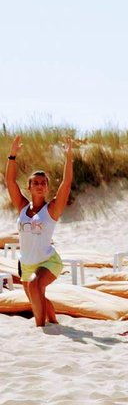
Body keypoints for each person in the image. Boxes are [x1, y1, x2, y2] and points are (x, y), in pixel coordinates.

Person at [5, 135, 73, 327]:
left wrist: (68, 157)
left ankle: (41, 329)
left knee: (35, 286)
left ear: (47, 187)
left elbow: (66, 184)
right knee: (38, 297)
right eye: (36, 182)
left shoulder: (51, 210)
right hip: (26, 264)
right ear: (29, 187)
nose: (40, 185)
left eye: (43, 182)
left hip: (48, 261)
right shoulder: (22, 206)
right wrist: (12, 155)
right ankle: (54, 323)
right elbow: (10, 181)